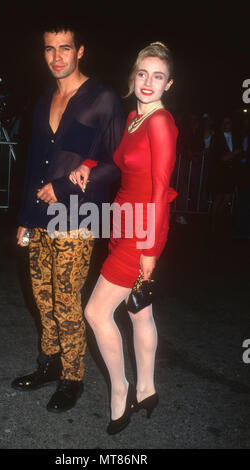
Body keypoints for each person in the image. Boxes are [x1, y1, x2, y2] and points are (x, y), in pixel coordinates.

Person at [11, 23, 125, 413]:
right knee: (42, 299)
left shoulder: (103, 98)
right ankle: (49, 364)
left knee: (66, 301)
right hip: (39, 217)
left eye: (64, 48)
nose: (56, 56)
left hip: (77, 217)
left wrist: (68, 187)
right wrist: (25, 216)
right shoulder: (44, 100)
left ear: (80, 51)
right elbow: (33, 165)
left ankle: (72, 377)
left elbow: (116, 163)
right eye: (48, 49)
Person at [70, 42, 178, 434]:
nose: (149, 82)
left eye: (158, 76)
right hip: (122, 221)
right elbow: (117, 159)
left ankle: (122, 391)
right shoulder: (133, 117)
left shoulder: (161, 122)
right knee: (139, 310)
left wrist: (150, 247)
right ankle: (148, 388)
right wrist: (88, 162)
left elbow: (161, 188)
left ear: (169, 83)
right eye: (143, 74)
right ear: (133, 76)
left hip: (143, 228)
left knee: (96, 312)